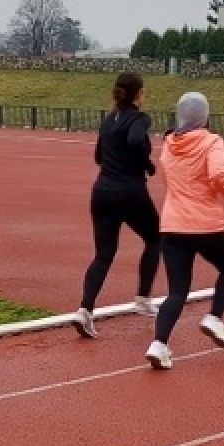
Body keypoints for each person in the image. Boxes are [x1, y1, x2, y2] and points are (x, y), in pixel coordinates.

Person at [145, 91, 224, 369]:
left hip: (173, 224)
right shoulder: (211, 141)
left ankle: (159, 344)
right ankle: (214, 317)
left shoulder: (169, 144)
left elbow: (167, 178)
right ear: (204, 116)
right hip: (205, 222)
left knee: (177, 291)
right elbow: (218, 175)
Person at [72, 72, 161, 338]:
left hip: (102, 191)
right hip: (130, 192)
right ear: (138, 94)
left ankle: (85, 310)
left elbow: (99, 156)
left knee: (103, 254)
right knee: (155, 238)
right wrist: (147, 165)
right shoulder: (139, 119)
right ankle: (143, 297)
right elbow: (134, 141)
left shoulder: (108, 120)